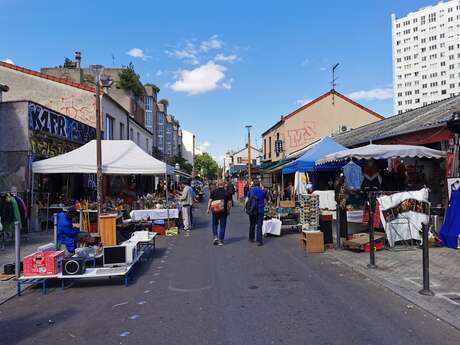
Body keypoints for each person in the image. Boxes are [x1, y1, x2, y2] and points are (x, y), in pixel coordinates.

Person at [208, 180, 231, 245]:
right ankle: (221, 240)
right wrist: (228, 210)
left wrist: (208, 209)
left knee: (214, 224)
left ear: (217, 184)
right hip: (223, 211)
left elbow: (210, 201)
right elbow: (229, 203)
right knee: (222, 225)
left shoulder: (214, 191)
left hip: (215, 210)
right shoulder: (226, 192)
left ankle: (215, 237)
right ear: (223, 185)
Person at [245, 179, 266, 246]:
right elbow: (264, 199)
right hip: (260, 210)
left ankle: (251, 238)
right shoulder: (262, 191)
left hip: (252, 210)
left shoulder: (250, 191)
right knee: (259, 226)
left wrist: (246, 208)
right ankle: (259, 240)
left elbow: (247, 200)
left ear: (253, 184)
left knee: (252, 224)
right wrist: (262, 187)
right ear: (259, 184)